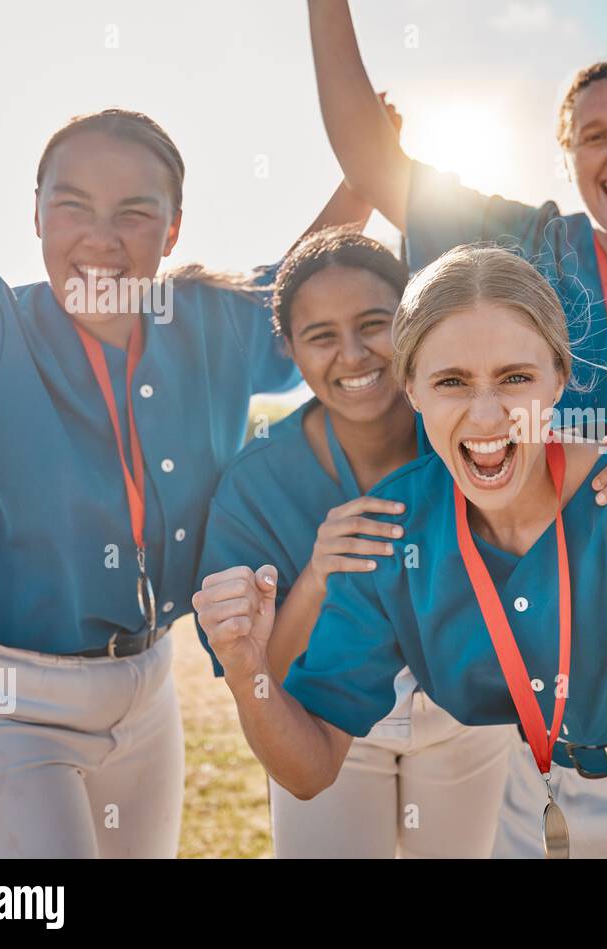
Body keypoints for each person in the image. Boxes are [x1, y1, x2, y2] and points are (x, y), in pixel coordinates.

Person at [196, 244, 607, 858]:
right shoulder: (393, 531)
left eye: (515, 377)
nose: (487, 416)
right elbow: (310, 768)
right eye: (452, 381)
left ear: (559, 376)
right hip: (539, 799)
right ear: (412, 389)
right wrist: (248, 666)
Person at [0, 108, 369, 858]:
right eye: (72, 206)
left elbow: (304, 281)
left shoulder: (213, 322)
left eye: (134, 211)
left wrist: (364, 177)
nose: (101, 237)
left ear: (174, 227)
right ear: (34, 215)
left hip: (148, 691)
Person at [302, 0, 607, 510]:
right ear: (566, 159)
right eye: (594, 138)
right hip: (539, 568)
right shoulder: (531, 243)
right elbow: (374, 164)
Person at [193, 228, 515, 857]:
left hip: (469, 720)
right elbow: (269, 675)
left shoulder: (476, 431)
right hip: (321, 720)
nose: (353, 355)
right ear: (287, 348)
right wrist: (317, 575)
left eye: (375, 324)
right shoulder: (256, 482)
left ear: (413, 324)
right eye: (320, 336)